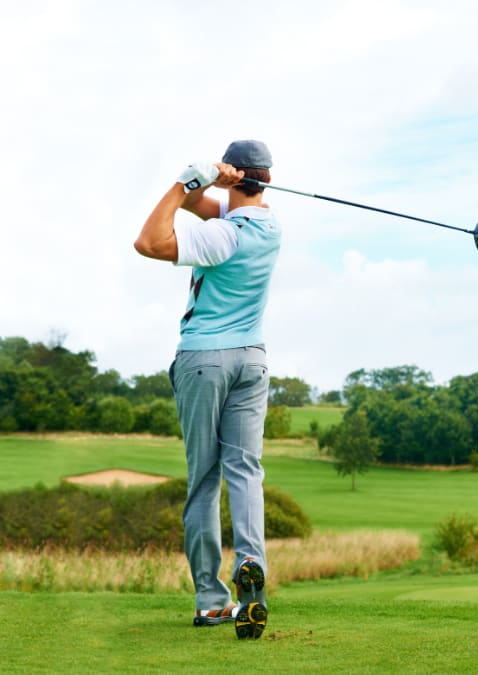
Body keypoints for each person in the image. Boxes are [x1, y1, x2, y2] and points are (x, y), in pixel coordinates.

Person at [133, 140, 280, 640]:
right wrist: (211, 184)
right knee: (246, 472)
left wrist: (183, 182)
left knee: (204, 480)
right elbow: (211, 208)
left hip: (204, 360)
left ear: (237, 177)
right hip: (252, 361)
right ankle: (252, 581)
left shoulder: (222, 238)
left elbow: (149, 242)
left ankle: (212, 601)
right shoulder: (270, 227)